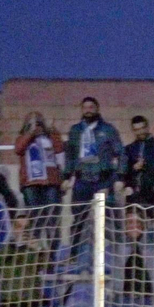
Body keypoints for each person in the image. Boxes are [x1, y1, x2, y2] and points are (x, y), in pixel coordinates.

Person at [62, 97, 124, 269]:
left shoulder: (108, 129)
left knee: (108, 219)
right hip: (82, 181)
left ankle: (115, 257)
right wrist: (67, 177)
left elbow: (121, 153)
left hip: (102, 180)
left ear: (97, 108)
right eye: (85, 107)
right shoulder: (76, 130)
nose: (88, 110)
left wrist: (120, 177)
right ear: (81, 110)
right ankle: (74, 256)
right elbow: (70, 155)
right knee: (79, 218)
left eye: (91, 107)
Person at [122, 115, 154, 210]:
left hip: (152, 193)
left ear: (147, 127)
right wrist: (133, 169)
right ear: (133, 130)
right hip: (133, 193)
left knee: (150, 221)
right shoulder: (129, 149)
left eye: (142, 128)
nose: (140, 132)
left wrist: (146, 166)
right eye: (137, 129)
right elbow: (123, 171)